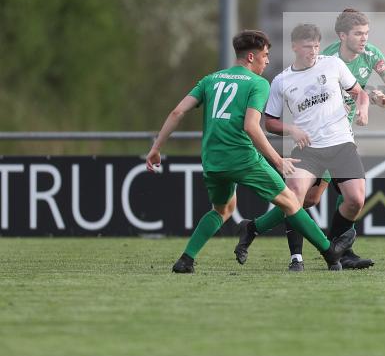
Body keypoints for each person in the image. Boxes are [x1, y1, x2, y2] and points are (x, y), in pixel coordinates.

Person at [145, 30, 355, 273]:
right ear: (251, 57)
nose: (267, 61)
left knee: (222, 209)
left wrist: (156, 148)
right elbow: (251, 127)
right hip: (242, 158)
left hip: (213, 160)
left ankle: (186, 260)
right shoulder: (258, 84)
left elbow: (177, 113)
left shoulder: (210, 80)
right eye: (265, 55)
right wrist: (277, 160)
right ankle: (330, 253)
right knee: (290, 201)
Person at [233, 24, 372, 270]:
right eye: (308, 47)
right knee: (294, 196)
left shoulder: (333, 64)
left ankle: (335, 247)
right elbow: (270, 122)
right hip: (309, 150)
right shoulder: (281, 81)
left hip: (341, 144)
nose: (314, 51)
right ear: (295, 47)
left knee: (356, 200)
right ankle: (308, 255)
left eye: (317, 46)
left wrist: (362, 108)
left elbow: (360, 93)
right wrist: (292, 129)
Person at [281, 9, 385, 271]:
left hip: (341, 137)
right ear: (342, 36)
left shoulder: (371, 54)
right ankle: (282, 243)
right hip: (317, 140)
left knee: (350, 195)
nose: (364, 39)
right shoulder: (326, 58)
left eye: (366, 33)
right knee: (310, 200)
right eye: (359, 34)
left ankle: (341, 251)